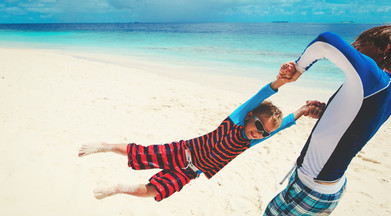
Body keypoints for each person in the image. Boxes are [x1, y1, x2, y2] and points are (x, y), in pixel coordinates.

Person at [78, 67, 324, 202]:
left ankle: (119, 188)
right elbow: (259, 96)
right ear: (250, 116)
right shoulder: (235, 121)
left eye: (264, 134)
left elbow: (282, 126)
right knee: (139, 153)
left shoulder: (248, 143)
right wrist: (280, 81)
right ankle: (105, 146)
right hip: (180, 151)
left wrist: (303, 110)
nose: (259, 134)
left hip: (190, 172)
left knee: (156, 190)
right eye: (259, 126)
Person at [262, 25, 391, 216]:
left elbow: (325, 41)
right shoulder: (384, 88)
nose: (353, 47)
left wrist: (298, 70)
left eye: (360, 43)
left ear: (385, 47)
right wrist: (327, 113)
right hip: (330, 190)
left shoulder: (373, 77)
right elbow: (360, 125)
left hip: (310, 186)